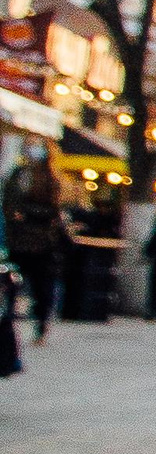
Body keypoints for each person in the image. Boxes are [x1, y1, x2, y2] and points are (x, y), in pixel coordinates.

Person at [3, 141, 62, 345]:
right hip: (17, 240)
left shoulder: (50, 179)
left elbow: (53, 211)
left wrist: (27, 214)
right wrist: (13, 215)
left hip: (40, 243)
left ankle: (41, 325)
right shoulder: (17, 174)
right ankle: (6, 322)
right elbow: (8, 202)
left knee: (41, 287)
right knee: (10, 284)